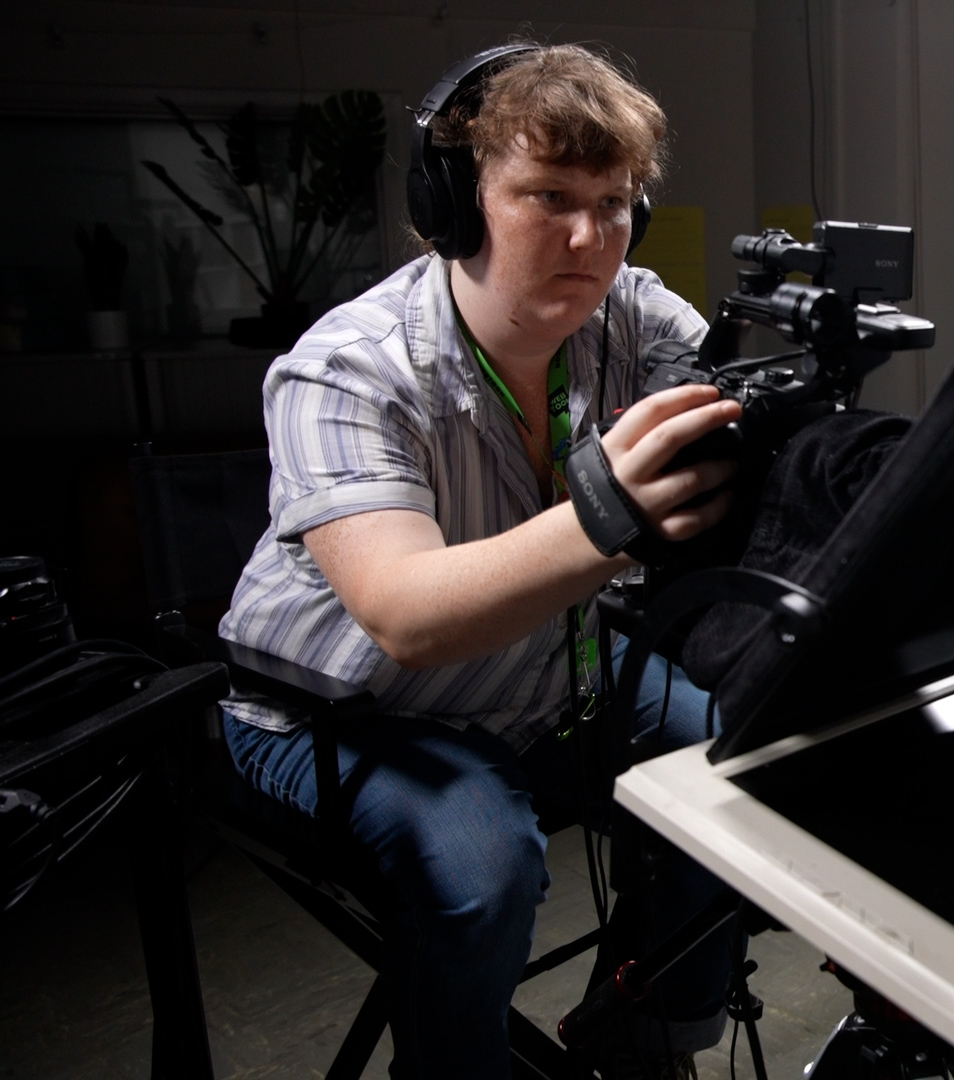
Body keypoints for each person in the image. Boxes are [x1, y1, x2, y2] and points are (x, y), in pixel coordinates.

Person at [219, 43, 738, 1079]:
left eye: (616, 200)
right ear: (455, 202)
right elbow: (406, 616)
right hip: (339, 713)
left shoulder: (628, 312)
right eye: (547, 194)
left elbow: (724, 395)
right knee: (483, 862)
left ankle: (644, 1039)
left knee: (736, 757)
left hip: (539, 685)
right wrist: (606, 510)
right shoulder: (345, 370)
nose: (591, 237)